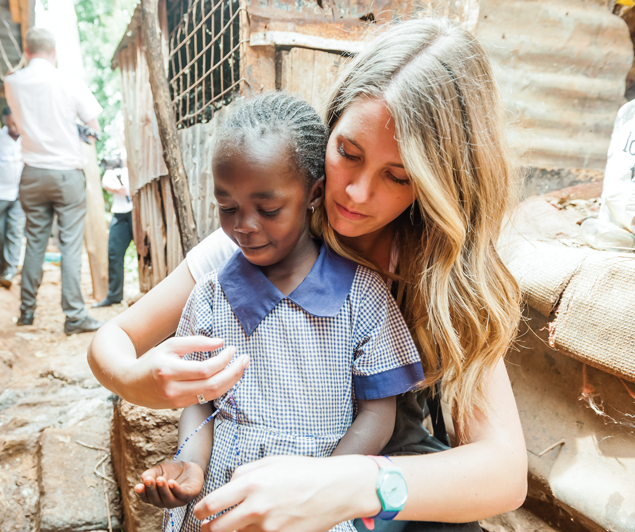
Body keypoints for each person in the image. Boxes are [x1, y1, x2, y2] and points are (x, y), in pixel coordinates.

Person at [88, 18, 527, 532]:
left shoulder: (441, 270)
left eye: (398, 175)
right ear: (328, 134)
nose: (356, 193)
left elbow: (504, 471)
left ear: (440, 181)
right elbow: (111, 339)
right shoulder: (260, 241)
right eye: (348, 153)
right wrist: (137, 382)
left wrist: (339, 485)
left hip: (368, 460)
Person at [132, 94, 424, 532]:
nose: (244, 226)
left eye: (268, 210)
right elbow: (199, 399)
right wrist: (190, 463)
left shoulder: (361, 297)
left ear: (314, 194)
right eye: (227, 207)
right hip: (220, 497)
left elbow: (378, 413)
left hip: (314, 510)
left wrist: (323, 487)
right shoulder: (213, 297)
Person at [4, 27, 103, 335]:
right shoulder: (68, 82)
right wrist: (82, 131)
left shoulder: (12, 82)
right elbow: (94, 127)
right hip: (66, 175)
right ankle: (74, 317)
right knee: (69, 245)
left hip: (32, 172)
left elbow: (23, 121)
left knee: (34, 242)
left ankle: (26, 313)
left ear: (28, 51)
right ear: (54, 52)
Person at [0, 106, 25, 289]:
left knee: (15, 231)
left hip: (19, 193)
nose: (13, 127)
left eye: (15, 123)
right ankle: (3, 269)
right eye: (9, 124)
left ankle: (10, 270)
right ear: (4, 122)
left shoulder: (27, 137)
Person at [94, 151, 133, 307]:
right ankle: (114, 296)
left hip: (137, 213)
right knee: (114, 253)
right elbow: (105, 183)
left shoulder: (133, 159)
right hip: (120, 213)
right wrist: (118, 189)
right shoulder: (113, 167)